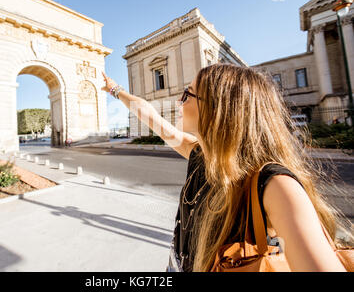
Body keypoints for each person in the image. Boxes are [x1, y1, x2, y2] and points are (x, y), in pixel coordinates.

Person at [101, 64, 352, 272]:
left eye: (188, 94)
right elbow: (150, 116)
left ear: (217, 108)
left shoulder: (275, 184)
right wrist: (114, 89)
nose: (179, 100)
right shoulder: (200, 154)